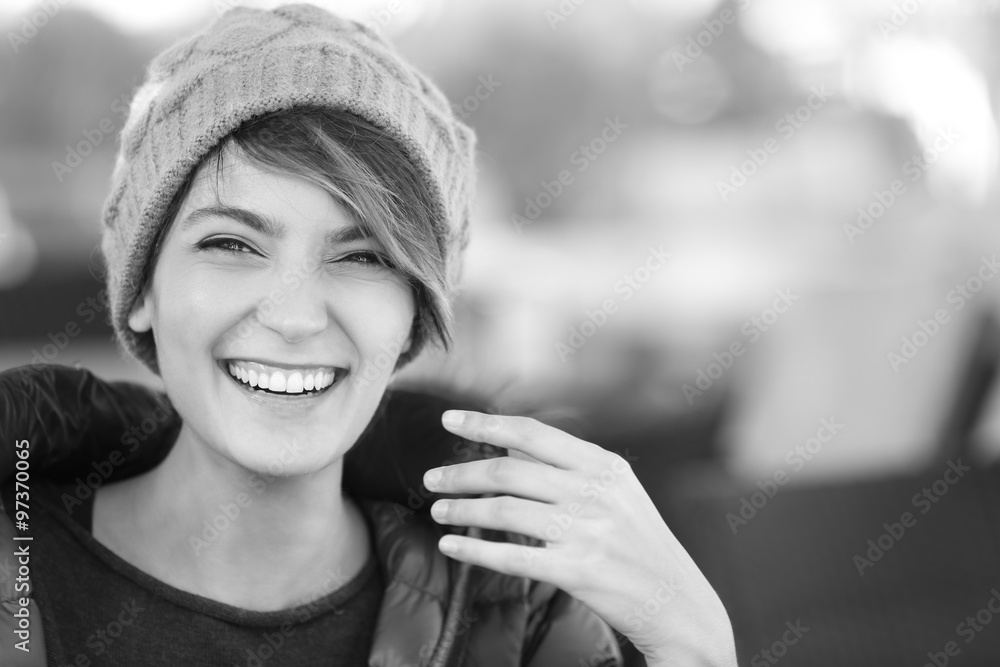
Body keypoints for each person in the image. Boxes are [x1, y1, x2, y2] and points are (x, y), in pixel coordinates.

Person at [0, 4, 736, 665]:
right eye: (232, 244)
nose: (294, 317)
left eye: (363, 256)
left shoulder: (522, 617)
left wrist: (694, 642)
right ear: (142, 292)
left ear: (416, 314)